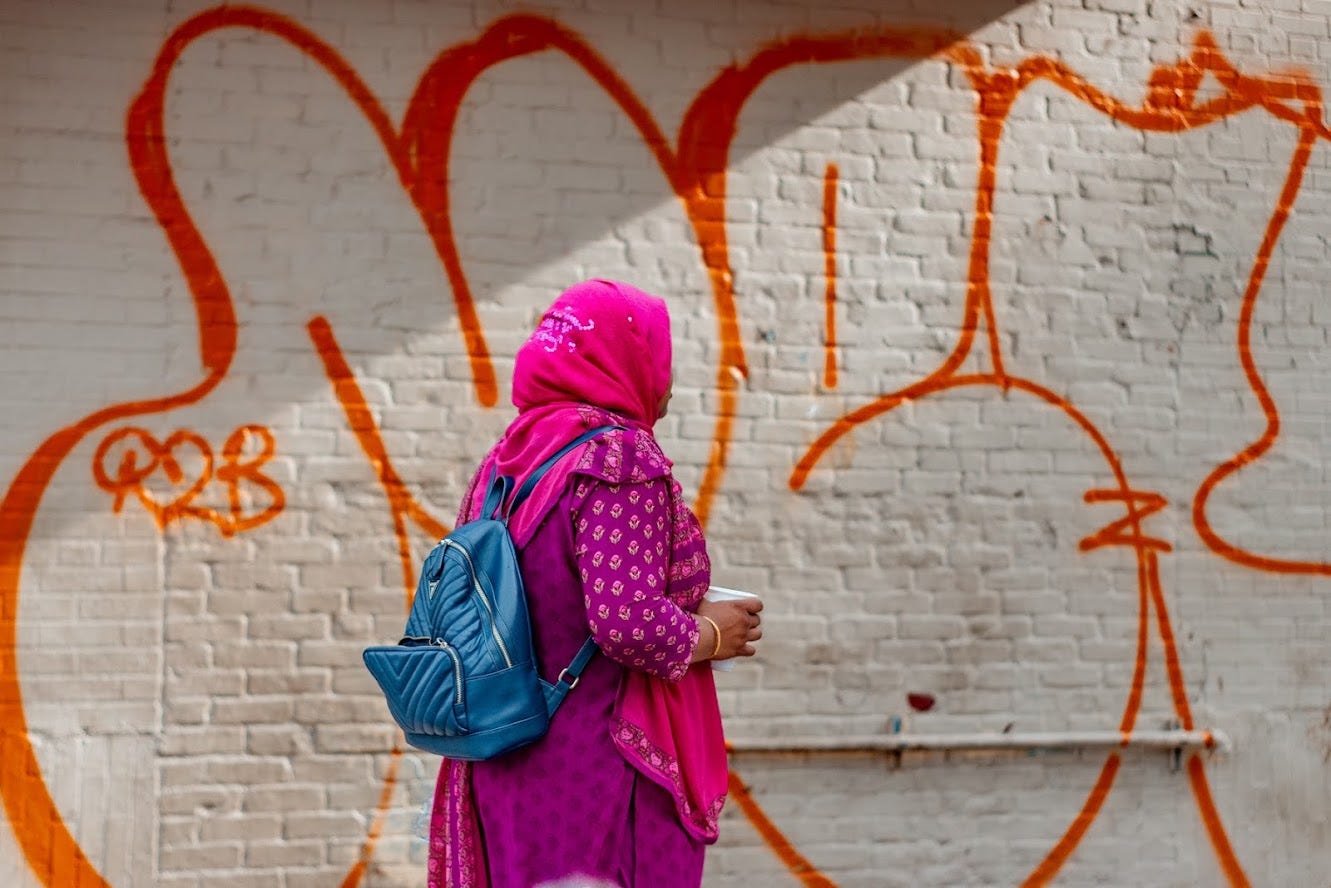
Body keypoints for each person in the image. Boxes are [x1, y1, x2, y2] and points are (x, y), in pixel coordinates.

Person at [426, 279, 763, 888]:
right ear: (627, 360)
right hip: (592, 766)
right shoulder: (617, 460)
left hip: (504, 753)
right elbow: (626, 621)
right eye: (662, 359)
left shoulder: (514, 455)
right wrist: (713, 633)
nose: (668, 383)